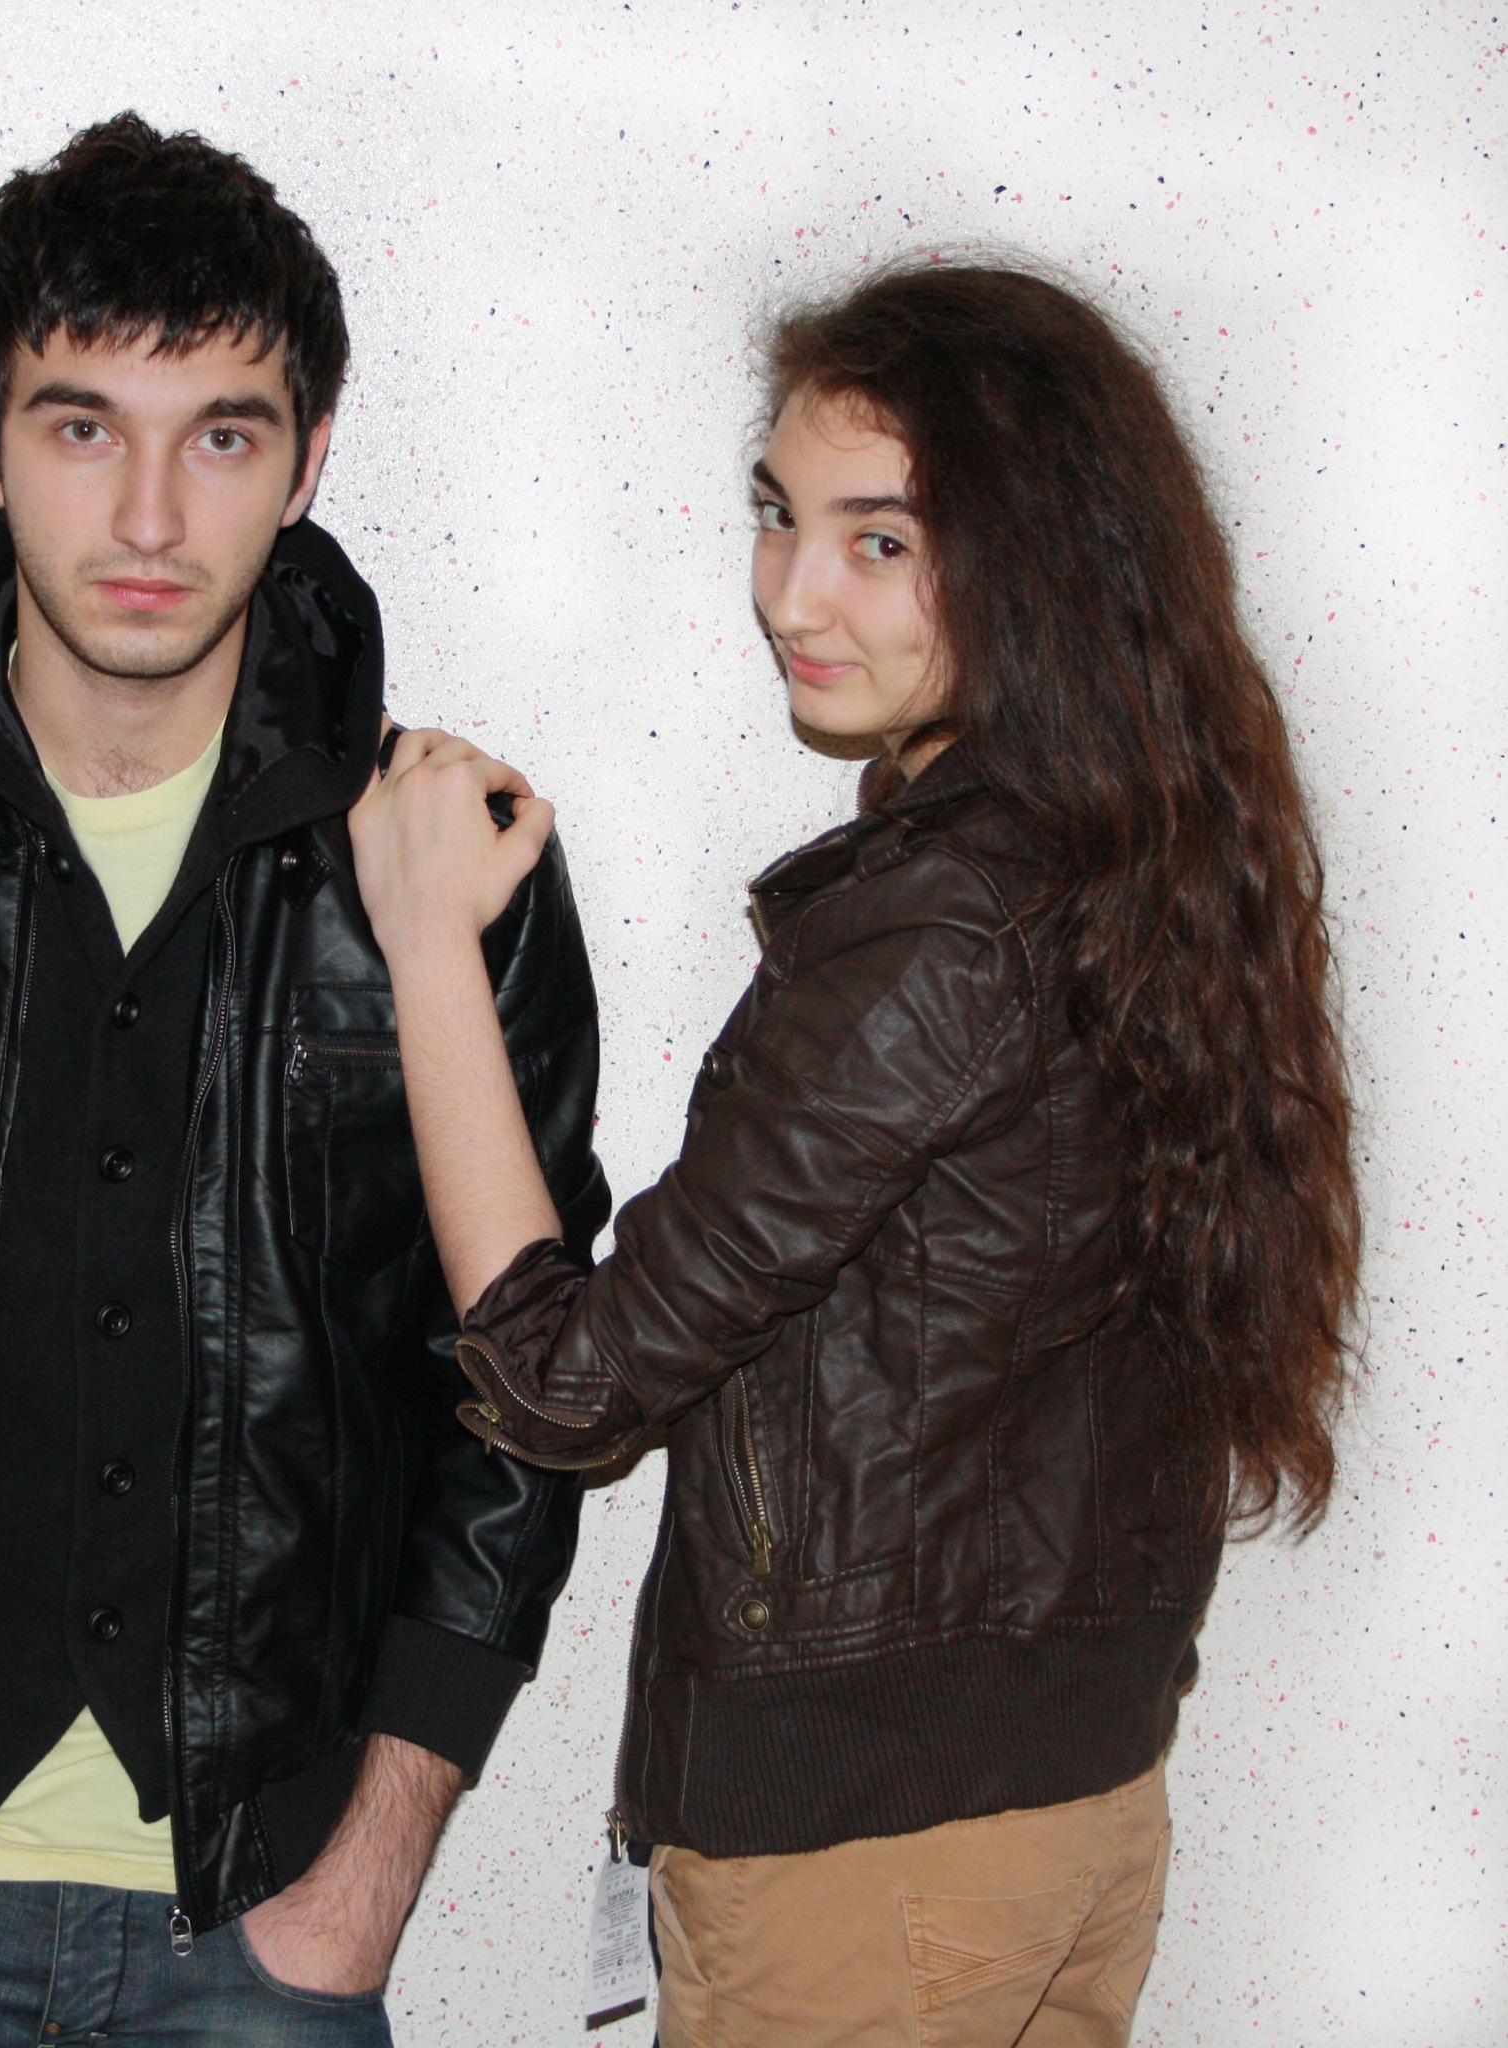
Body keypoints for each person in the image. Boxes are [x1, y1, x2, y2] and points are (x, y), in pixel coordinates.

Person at [0, 114, 607, 2046]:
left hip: (267, 1915)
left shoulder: (445, 865)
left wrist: (370, 1870)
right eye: (83, 428)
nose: (150, 518)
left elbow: (516, 1394)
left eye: (221, 435)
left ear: (309, 460)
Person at [347, 262, 1359, 2047]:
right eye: (779, 515)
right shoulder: (1129, 859)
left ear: (1040, 559)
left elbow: (569, 1384)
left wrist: (428, 943)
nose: (792, 595)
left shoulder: (942, 927)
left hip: (865, 1868)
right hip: (1067, 1821)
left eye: (879, 540)